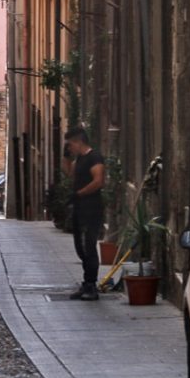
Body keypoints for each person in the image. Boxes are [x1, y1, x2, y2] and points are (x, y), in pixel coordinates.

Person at [62, 126, 106, 300]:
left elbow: (98, 181)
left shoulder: (94, 157)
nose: (70, 148)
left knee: (89, 246)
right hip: (80, 208)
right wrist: (66, 156)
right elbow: (70, 174)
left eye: (70, 145)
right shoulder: (79, 159)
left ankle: (91, 285)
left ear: (78, 142)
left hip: (91, 208)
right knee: (80, 247)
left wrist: (80, 194)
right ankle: (86, 283)